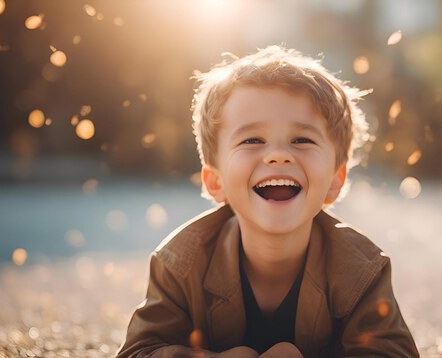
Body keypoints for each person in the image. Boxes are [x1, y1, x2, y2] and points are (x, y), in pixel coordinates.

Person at [117, 45, 419, 358]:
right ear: (215, 181)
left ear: (335, 180)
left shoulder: (361, 271)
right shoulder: (180, 264)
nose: (278, 155)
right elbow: (139, 351)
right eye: (252, 140)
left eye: (302, 140)